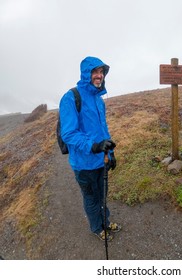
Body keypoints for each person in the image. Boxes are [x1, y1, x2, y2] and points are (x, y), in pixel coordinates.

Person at [59, 56, 121, 241]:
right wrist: (93, 146)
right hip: (83, 163)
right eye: (95, 71)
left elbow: (103, 130)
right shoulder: (71, 97)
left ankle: (106, 221)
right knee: (91, 198)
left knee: (102, 195)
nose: (99, 75)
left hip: (101, 160)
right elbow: (68, 134)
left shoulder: (98, 100)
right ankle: (96, 228)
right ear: (86, 73)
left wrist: (110, 152)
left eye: (101, 72)